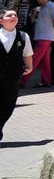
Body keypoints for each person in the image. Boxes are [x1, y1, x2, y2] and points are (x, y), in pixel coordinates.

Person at [1, 10, 33, 144]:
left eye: (15, 15)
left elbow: (27, 53)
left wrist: (29, 66)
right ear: (1, 20)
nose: (13, 17)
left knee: (9, 104)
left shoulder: (23, 36)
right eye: (9, 15)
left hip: (13, 75)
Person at [21, 0, 54, 88]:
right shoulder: (42, 7)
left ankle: (22, 81)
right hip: (42, 37)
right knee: (44, 61)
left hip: (45, 37)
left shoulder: (51, 6)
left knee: (34, 59)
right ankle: (47, 81)